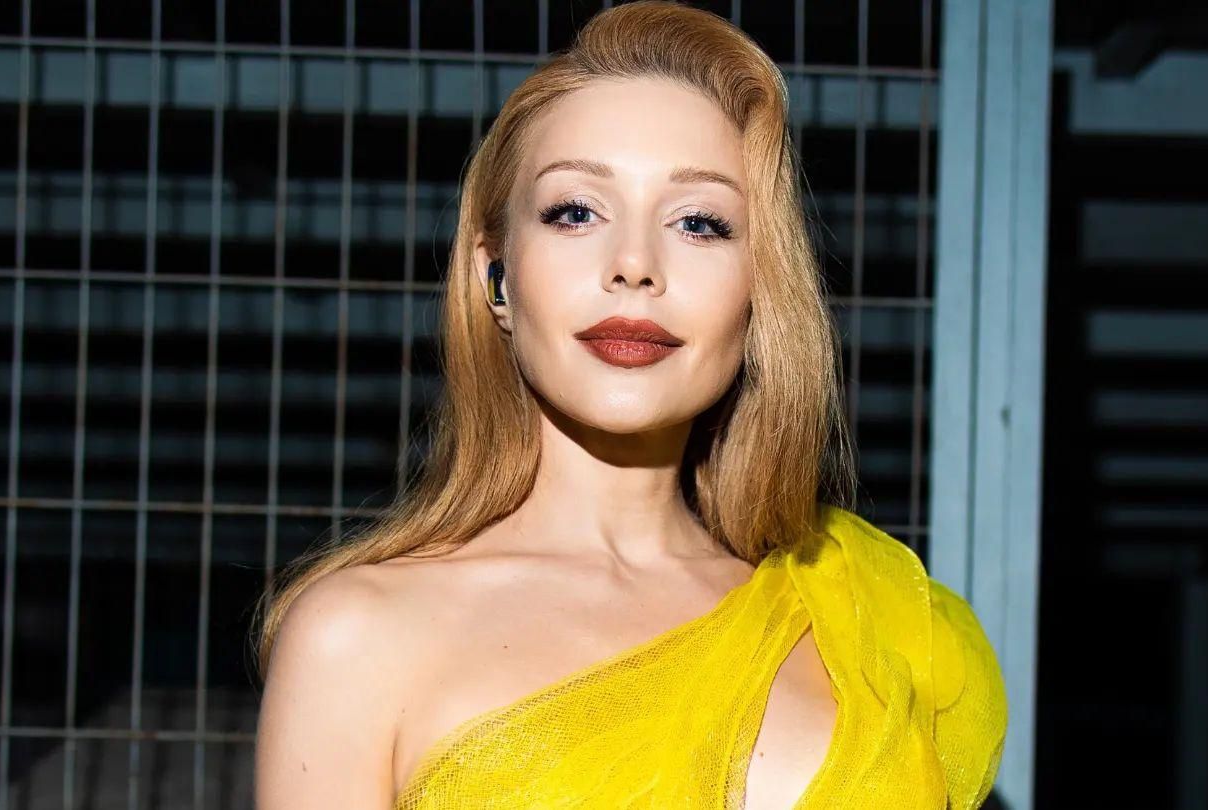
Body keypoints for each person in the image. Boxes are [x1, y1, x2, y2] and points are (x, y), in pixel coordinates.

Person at [251, 2, 1006, 808]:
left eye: (700, 223)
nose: (636, 264)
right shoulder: (357, 638)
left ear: (761, 289)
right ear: (495, 277)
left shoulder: (872, 624)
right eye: (576, 211)